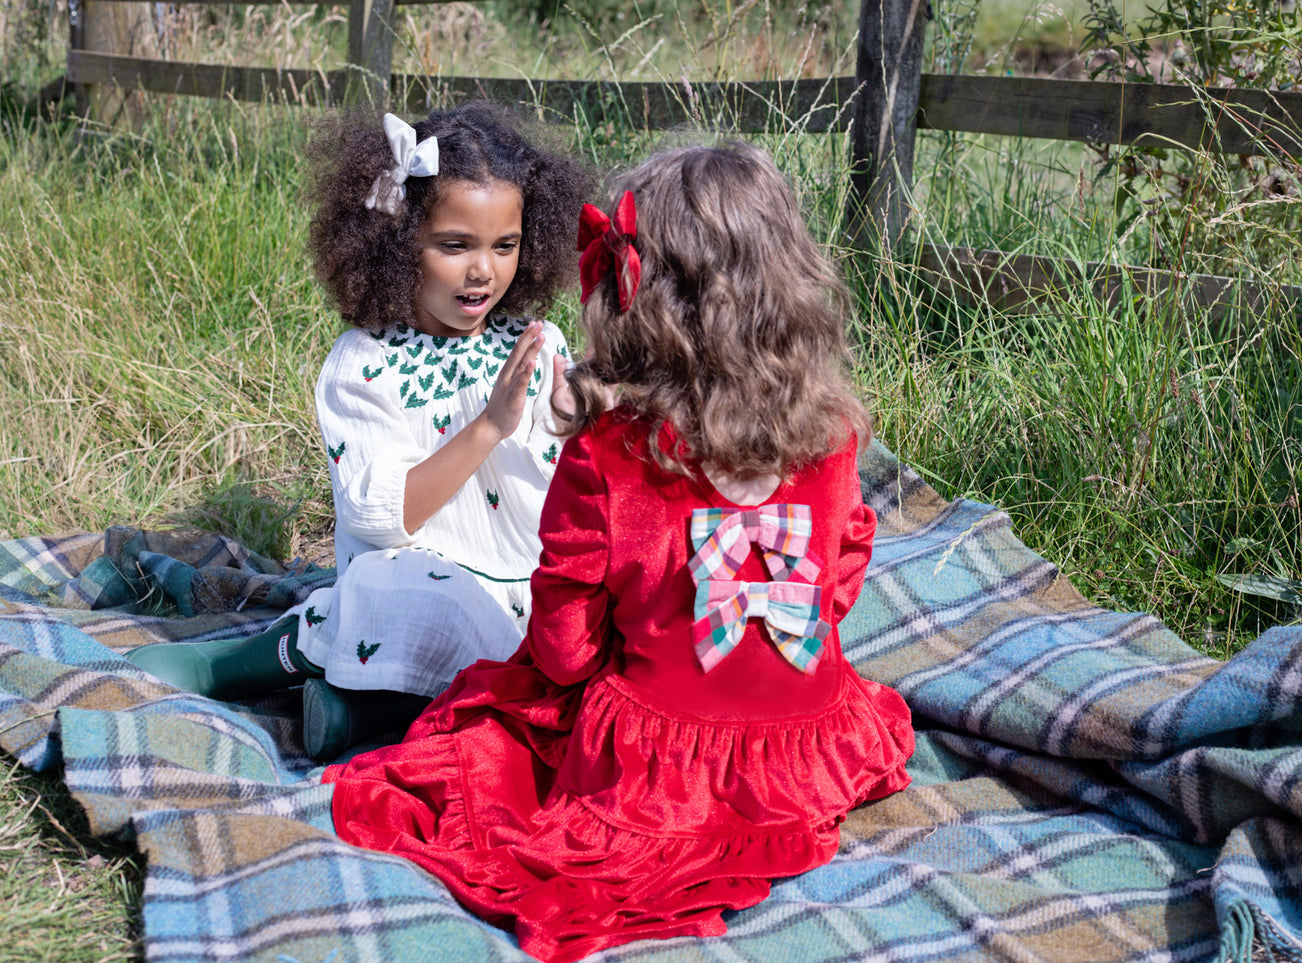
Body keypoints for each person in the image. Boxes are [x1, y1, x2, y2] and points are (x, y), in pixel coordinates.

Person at [323, 142, 915, 962]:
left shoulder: (609, 451)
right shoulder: (836, 433)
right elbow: (837, 586)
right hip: (805, 742)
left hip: (659, 769)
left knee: (495, 729)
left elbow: (566, 651)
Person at [128, 103, 594, 761]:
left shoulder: (537, 344)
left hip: (531, 581)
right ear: (398, 243)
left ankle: (352, 708)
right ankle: (234, 665)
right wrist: (489, 426)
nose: (483, 270)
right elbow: (383, 520)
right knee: (409, 605)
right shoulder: (366, 362)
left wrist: (587, 420)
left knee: (565, 647)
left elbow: (570, 474)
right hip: (425, 576)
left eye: (504, 245)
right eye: (455, 244)